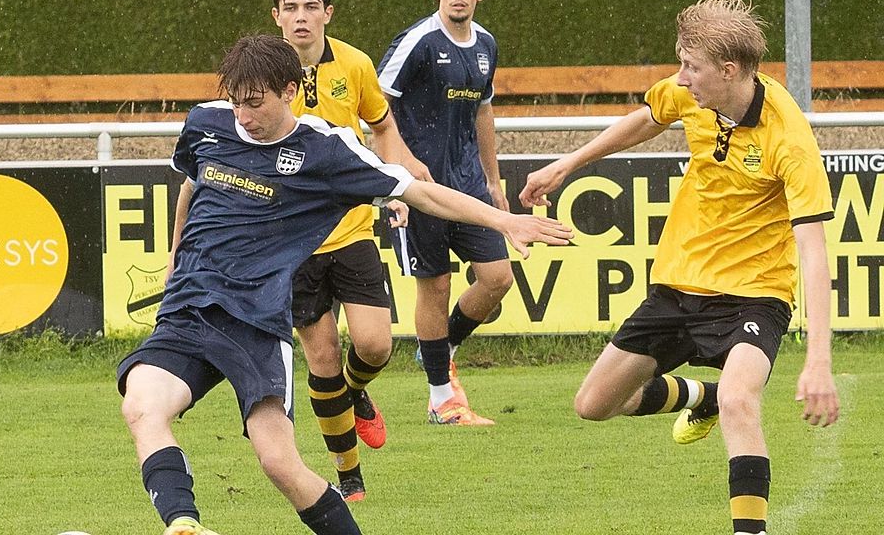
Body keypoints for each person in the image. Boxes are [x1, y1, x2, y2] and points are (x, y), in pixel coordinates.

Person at [119, 34, 573, 535]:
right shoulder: (206, 123)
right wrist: (174, 259)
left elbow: (421, 192)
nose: (243, 116)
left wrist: (504, 222)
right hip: (187, 312)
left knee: (279, 464)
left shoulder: (325, 150)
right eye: (236, 102)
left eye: (255, 104)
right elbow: (191, 187)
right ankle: (184, 524)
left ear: (289, 90)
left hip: (254, 324)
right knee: (141, 405)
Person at [519, 0, 840, 535]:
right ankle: (701, 395)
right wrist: (567, 164)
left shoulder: (789, 138)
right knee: (594, 404)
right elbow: (647, 118)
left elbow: (813, 249)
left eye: (691, 68)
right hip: (677, 286)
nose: (681, 79)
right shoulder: (694, 91)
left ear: (729, 71)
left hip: (753, 294)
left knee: (742, 400)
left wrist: (819, 361)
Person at [269, 0, 429, 502]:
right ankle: (348, 476)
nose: (300, 18)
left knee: (374, 344)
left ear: (327, 14)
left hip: (353, 230)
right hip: (294, 244)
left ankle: (356, 394)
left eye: (310, 7)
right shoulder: (263, 72)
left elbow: (382, 126)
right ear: (277, 18)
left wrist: (395, 188)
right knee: (321, 362)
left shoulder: (356, 64)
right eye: (290, 8)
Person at [377, 0, 510, 426]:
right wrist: (401, 173)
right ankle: (441, 399)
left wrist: (494, 182)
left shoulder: (486, 45)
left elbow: (483, 111)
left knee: (497, 278)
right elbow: (376, 107)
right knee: (434, 287)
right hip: (420, 190)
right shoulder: (417, 41)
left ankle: (442, 345)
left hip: (469, 186)